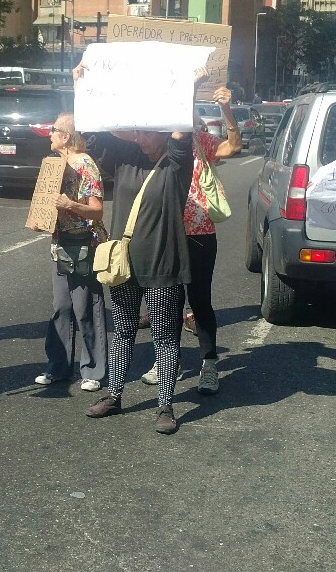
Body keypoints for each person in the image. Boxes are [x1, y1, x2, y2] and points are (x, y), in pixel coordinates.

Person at [79, 68, 196, 435]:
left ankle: (165, 405)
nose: (143, 138)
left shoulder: (177, 162)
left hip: (164, 264)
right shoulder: (125, 154)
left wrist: (186, 83)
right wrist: (82, 86)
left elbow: (181, 129)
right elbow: (92, 131)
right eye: (140, 131)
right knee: (125, 329)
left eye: (150, 132)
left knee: (164, 334)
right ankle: (113, 395)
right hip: (124, 263)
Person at [140, 85, 241, 395]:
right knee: (167, 302)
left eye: (189, 120)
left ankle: (209, 364)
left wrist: (226, 109)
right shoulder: (159, 146)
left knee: (199, 300)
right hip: (166, 232)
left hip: (199, 234)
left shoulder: (202, 143)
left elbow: (233, 147)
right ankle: (165, 362)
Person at [33, 112, 108, 391]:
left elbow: (97, 209)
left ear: (66, 136)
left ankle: (93, 371)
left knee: (85, 307)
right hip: (60, 242)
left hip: (84, 243)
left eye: (54, 130)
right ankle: (58, 366)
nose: (49, 134)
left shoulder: (85, 165)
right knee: (61, 307)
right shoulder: (54, 165)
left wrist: (70, 205)